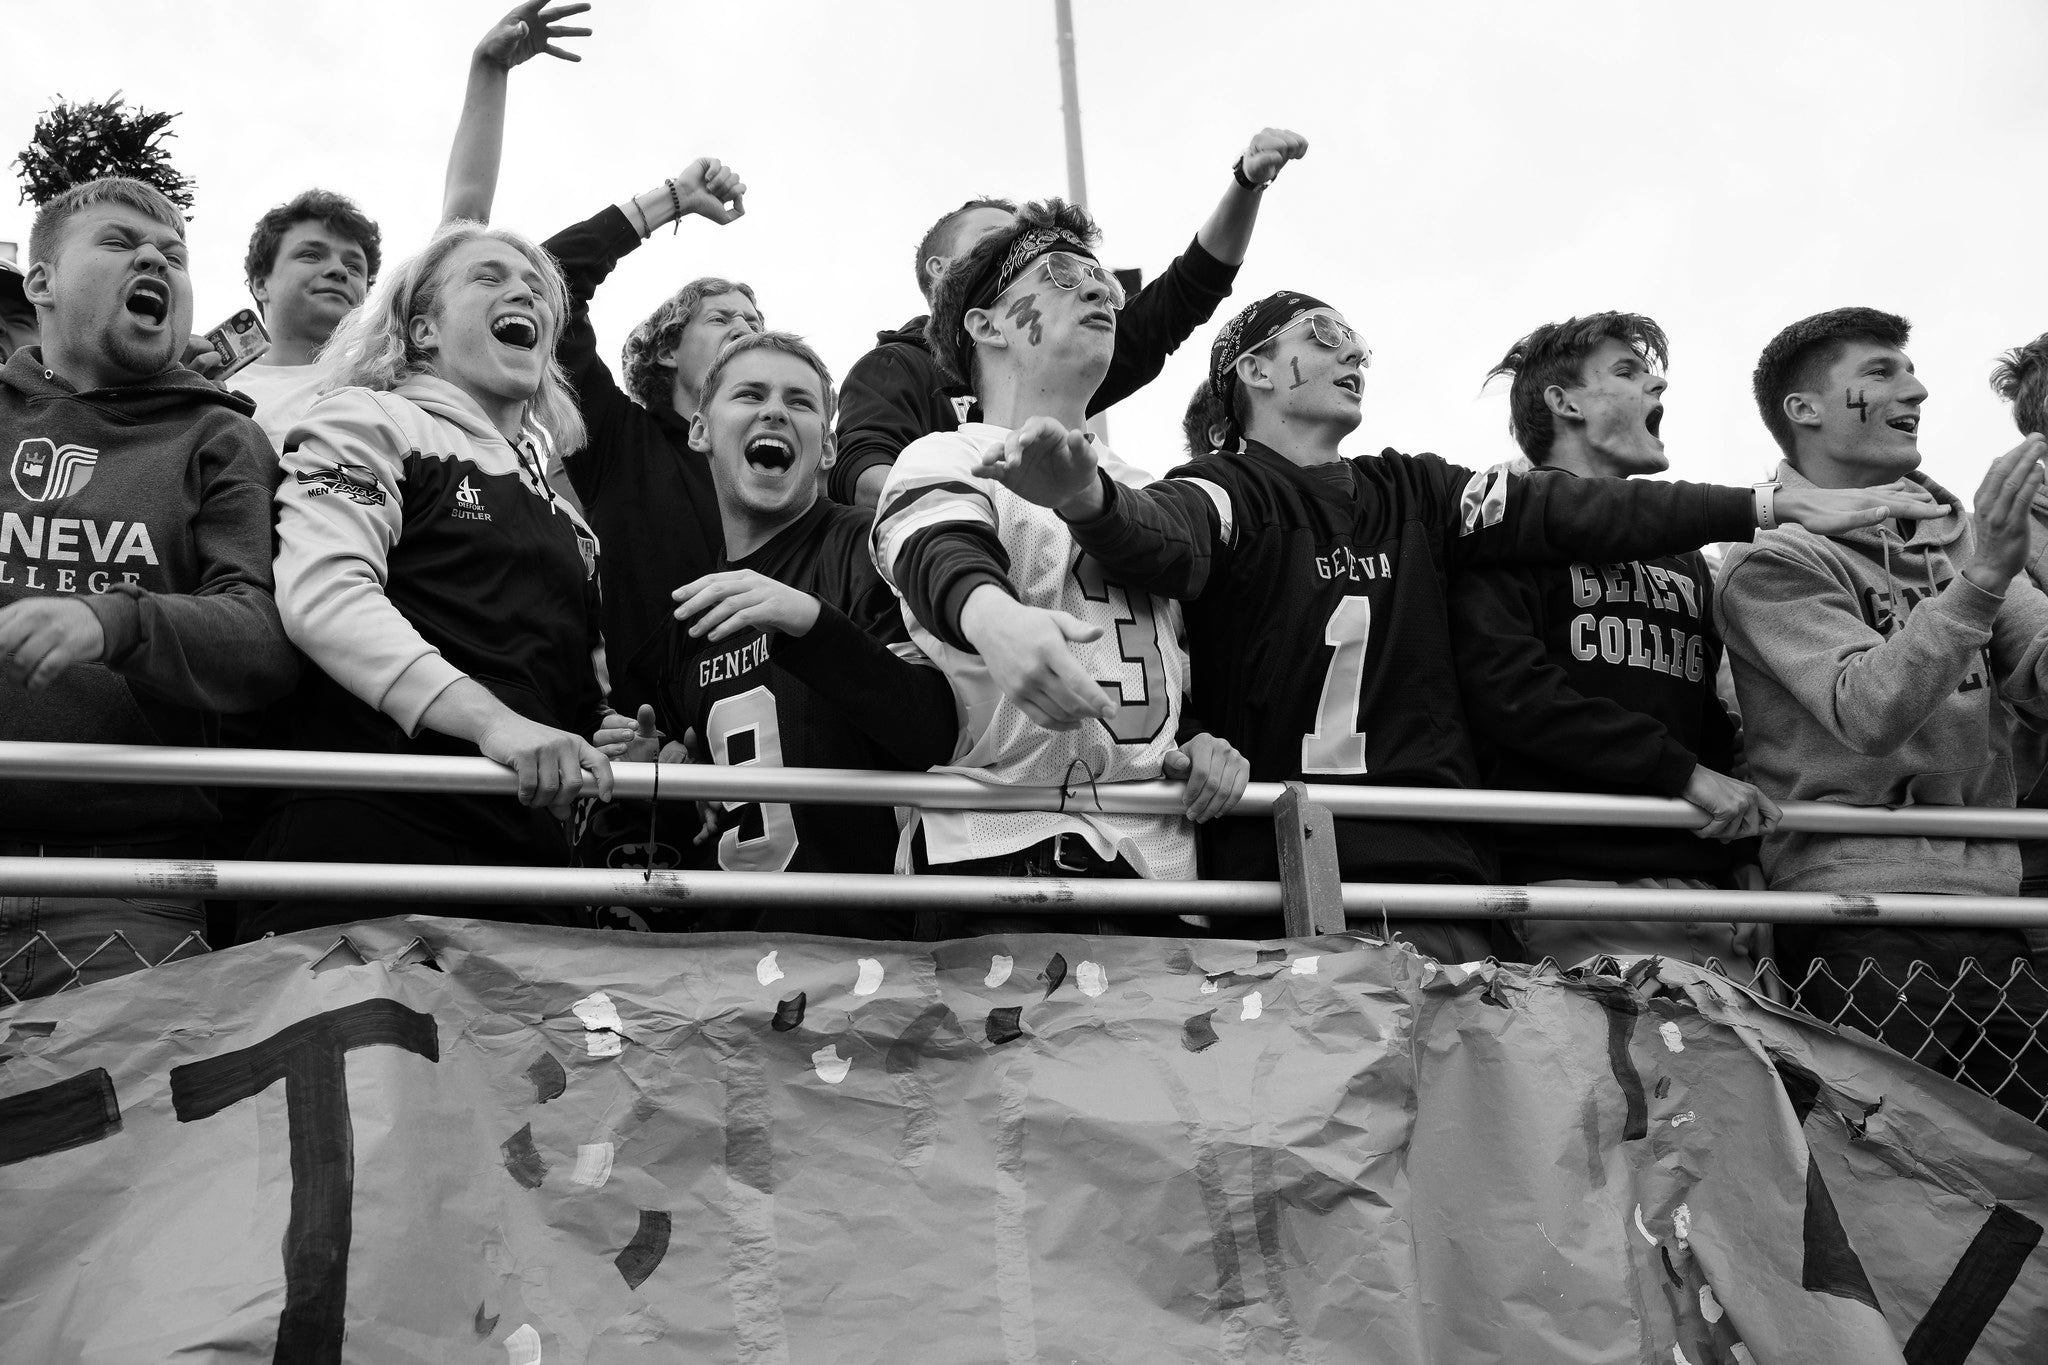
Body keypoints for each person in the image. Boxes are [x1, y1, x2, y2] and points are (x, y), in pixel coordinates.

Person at [972, 290, 1944, 961]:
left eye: (1357, 342)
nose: (1353, 355)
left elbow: (1578, 511)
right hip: (1292, 886)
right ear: (1253, 369)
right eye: (1323, 336)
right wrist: (1091, 500)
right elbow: (1159, 541)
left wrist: (1761, 509)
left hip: (1444, 885)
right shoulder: (1224, 490)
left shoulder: (1416, 490)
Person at [871, 200, 1251, 936]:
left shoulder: (1146, 485)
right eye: (1058, 274)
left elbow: (1170, 647)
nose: (1097, 290)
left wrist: (1201, 738)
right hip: (996, 866)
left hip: (1158, 878)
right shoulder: (945, 454)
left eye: (1099, 276)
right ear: (986, 323)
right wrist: (995, 617)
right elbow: (934, 545)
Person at [1717, 306, 2048, 1116]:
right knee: (1890, 1185)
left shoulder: (1960, 538)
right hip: (1857, 921)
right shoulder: (1771, 559)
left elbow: (2037, 672)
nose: (1918, 388)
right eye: (1881, 373)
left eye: (1910, 369)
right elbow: (1867, 709)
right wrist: (1984, 578)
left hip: (1996, 915)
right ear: (1806, 411)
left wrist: (1994, 570)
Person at [248, 221, 613, 937]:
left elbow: (563, 696)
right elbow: (326, 598)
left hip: (529, 871)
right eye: (490, 277)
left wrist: (609, 734)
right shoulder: (365, 417)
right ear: (423, 329)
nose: (524, 292)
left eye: (538, 288)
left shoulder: (566, 514)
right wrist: (495, 725)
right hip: (367, 851)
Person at [0, 178, 296, 994]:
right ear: (41, 282)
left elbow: (262, 640)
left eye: (174, 255)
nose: (155, 260)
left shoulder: (223, 435)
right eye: (120, 242)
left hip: (137, 890)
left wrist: (115, 622)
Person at [592, 332, 958, 936]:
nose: (774, 411)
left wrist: (809, 622)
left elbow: (933, 732)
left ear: (829, 448)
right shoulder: (691, 615)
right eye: (750, 394)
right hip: (735, 971)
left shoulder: (867, 547)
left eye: (800, 401)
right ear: (700, 430)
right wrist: (653, 776)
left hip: (872, 966)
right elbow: (710, 816)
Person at [1448, 313, 1772, 976]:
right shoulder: (1501, 527)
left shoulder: (1682, 551)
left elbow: (1708, 718)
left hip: (1700, 887)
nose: (1655, 382)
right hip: (1565, 885)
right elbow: (1515, 695)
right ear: (1563, 404)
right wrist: (1679, 773)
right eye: (1626, 371)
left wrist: (1743, 861)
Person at [828, 128, 1309, 510]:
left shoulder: (1152, 494)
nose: (1093, 290)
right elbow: (859, 472)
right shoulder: (896, 369)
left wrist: (1246, 185)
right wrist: (972, 507)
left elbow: (1184, 294)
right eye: (1002, 240)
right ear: (946, 276)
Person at [224, 1, 591, 448]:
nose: (339, 270)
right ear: (260, 282)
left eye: (355, 265)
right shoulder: (214, 384)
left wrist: (490, 69)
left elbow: (465, 222)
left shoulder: (388, 378)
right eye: (311, 254)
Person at [539, 158, 750, 710]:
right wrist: (673, 199)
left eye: (755, 323)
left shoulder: (797, 464)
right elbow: (547, 278)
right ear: (666, 351)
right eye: (723, 319)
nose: (747, 331)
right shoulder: (616, 441)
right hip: (650, 752)